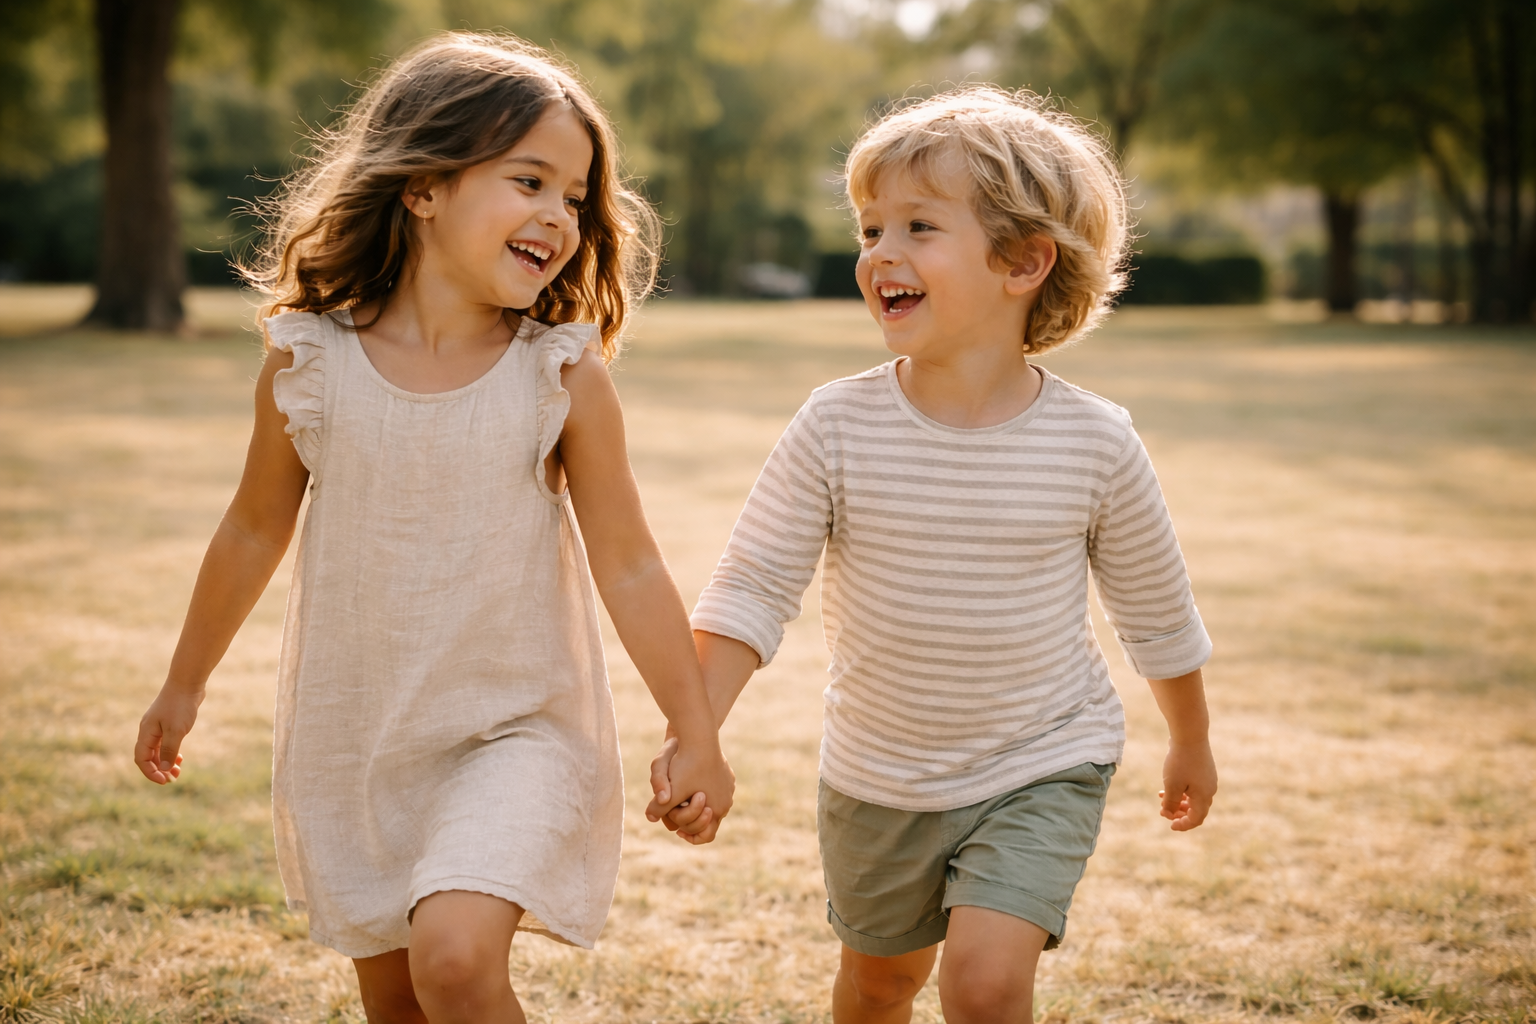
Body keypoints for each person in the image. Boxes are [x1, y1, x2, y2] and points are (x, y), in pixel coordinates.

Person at [132, 33, 732, 1024]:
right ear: (421, 186)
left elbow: (629, 565)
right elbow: (250, 529)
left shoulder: (561, 376)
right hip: (360, 738)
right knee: (402, 998)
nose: (559, 215)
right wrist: (183, 683)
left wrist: (695, 729)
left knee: (453, 962)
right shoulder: (309, 363)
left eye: (575, 196)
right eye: (529, 179)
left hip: (516, 733)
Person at [647, 88, 1218, 1024]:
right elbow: (752, 588)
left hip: (1043, 757)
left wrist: (1189, 739)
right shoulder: (836, 424)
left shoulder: (1096, 441)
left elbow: (1156, 609)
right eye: (871, 229)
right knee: (880, 984)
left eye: (918, 225)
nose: (880, 254)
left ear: (1024, 262)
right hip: (880, 776)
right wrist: (698, 734)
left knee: (986, 987)